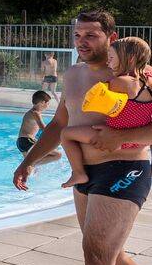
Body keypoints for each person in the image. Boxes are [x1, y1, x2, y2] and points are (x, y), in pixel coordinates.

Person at [14, 10, 152, 265]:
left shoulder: (136, 74)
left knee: (97, 258)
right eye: (77, 35)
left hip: (125, 169)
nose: (82, 42)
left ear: (112, 36)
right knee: (113, 258)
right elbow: (61, 124)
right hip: (86, 174)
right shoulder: (74, 75)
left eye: (91, 35)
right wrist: (29, 160)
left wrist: (119, 138)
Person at [59, 37, 152, 189]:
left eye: (111, 58)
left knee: (66, 134)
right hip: (139, 141)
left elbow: (97, 97)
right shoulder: (148, 83)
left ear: (129, 58)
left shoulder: (119, 82)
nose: (108, 63)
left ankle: (78, 173)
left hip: (112, 135)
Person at [16, 90, 60, 164]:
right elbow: (43, 128)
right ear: (42, 102)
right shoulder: (36, 113)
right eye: (47, 104)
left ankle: (31, 166)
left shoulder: (31, 112)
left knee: (28, 165)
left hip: (21, 142)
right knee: (58, 155)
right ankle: (33, 164)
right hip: (27, 141)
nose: (47, 106)